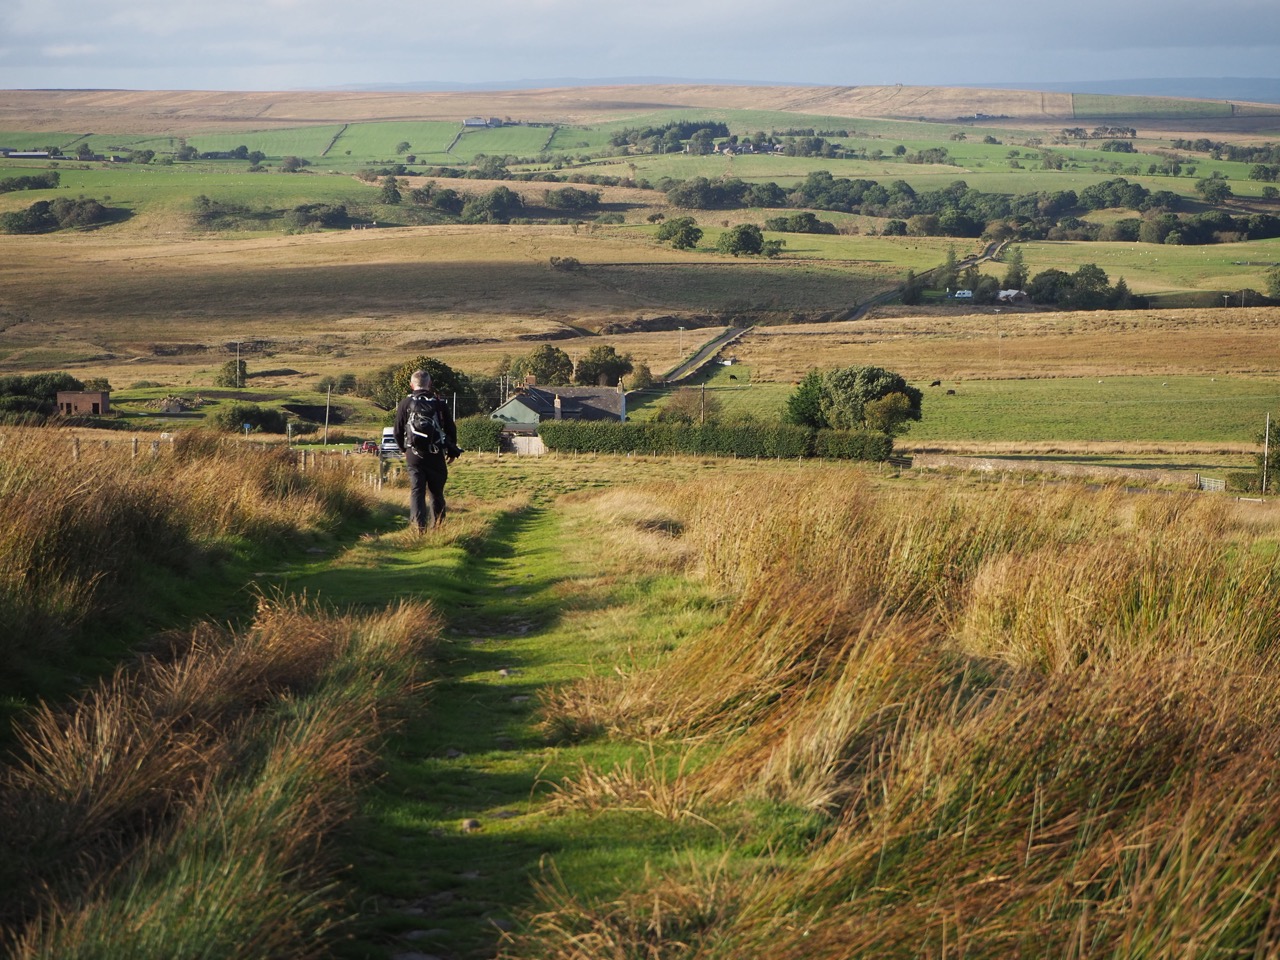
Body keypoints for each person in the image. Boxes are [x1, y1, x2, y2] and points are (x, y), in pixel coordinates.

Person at [392, 370, 458, 530]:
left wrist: (403, 449)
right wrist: (451, 451)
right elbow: (451, 429)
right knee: (436, 492)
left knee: (417, 491)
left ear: (411, 385)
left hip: (414, 454)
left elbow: (397, 431)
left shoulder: (405, 403)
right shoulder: (439, 404)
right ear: (430, 384)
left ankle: (419, 528)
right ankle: (438, 526)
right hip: (436, 453)